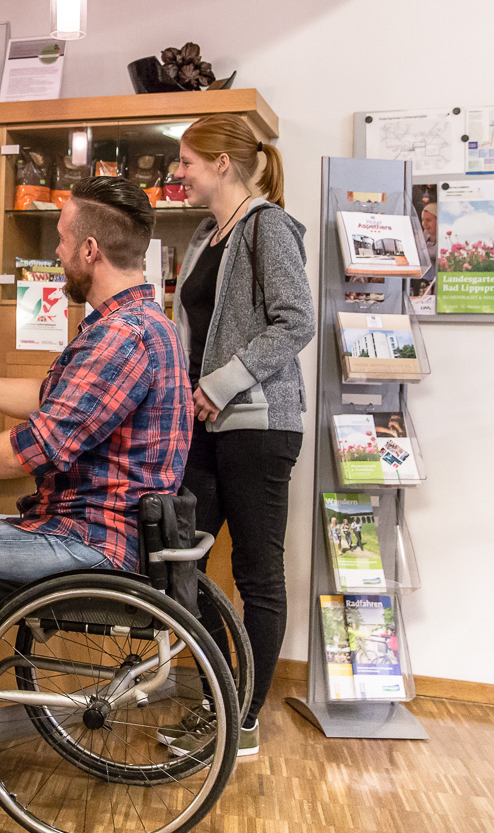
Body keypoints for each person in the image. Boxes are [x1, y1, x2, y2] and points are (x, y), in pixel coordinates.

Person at [0, 176, 190, 774]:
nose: (56, 251)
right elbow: (52, 396)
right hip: (109, 529)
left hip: (95, 541)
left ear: (90, 250)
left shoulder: (120, 337)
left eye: (62, 237)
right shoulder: (143, 323)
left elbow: (36, 447)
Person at [167, 113, 314, 756]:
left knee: (257, 575)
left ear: (221, 163)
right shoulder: (206, 235)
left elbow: (296, 322)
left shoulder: (269, 228)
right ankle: (218, 697)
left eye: (187, 162)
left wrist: (221, 383)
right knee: (181, 562)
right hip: (203, 425)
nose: (179, 173)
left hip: (258, 427)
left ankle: (242, 718)